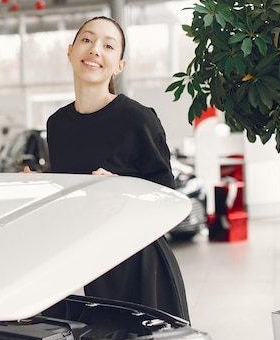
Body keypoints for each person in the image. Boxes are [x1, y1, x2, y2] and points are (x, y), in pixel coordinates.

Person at [44, 16, 190, 321]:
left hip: (137, 267)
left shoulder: (137, 119)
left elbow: (170, 201)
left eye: (108, 45)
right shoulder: (57, 125)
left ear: (119, 66)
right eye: (87, 40)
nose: (95, 49)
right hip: (84, 263)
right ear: (70, 52)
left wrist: (124, 191)